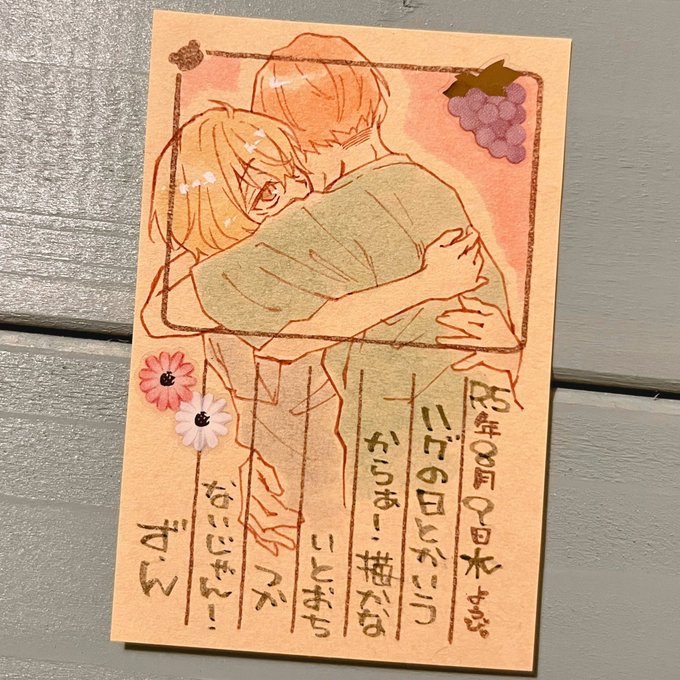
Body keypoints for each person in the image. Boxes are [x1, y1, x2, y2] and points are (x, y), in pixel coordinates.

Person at [143, 103, 491, 555]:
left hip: (321, 457)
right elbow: (305, 333)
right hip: (301, 471)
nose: (300, 195)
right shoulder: (247, 282)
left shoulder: (281, 261)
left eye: (298, 175)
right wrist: (428, 283)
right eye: (268, 192)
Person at [190, 34, 521, 509]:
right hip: (480, 410)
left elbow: (191, 303)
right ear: (375, 99)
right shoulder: (428, 185)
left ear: (290, 136)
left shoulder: (325, 215)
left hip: (395, 425)